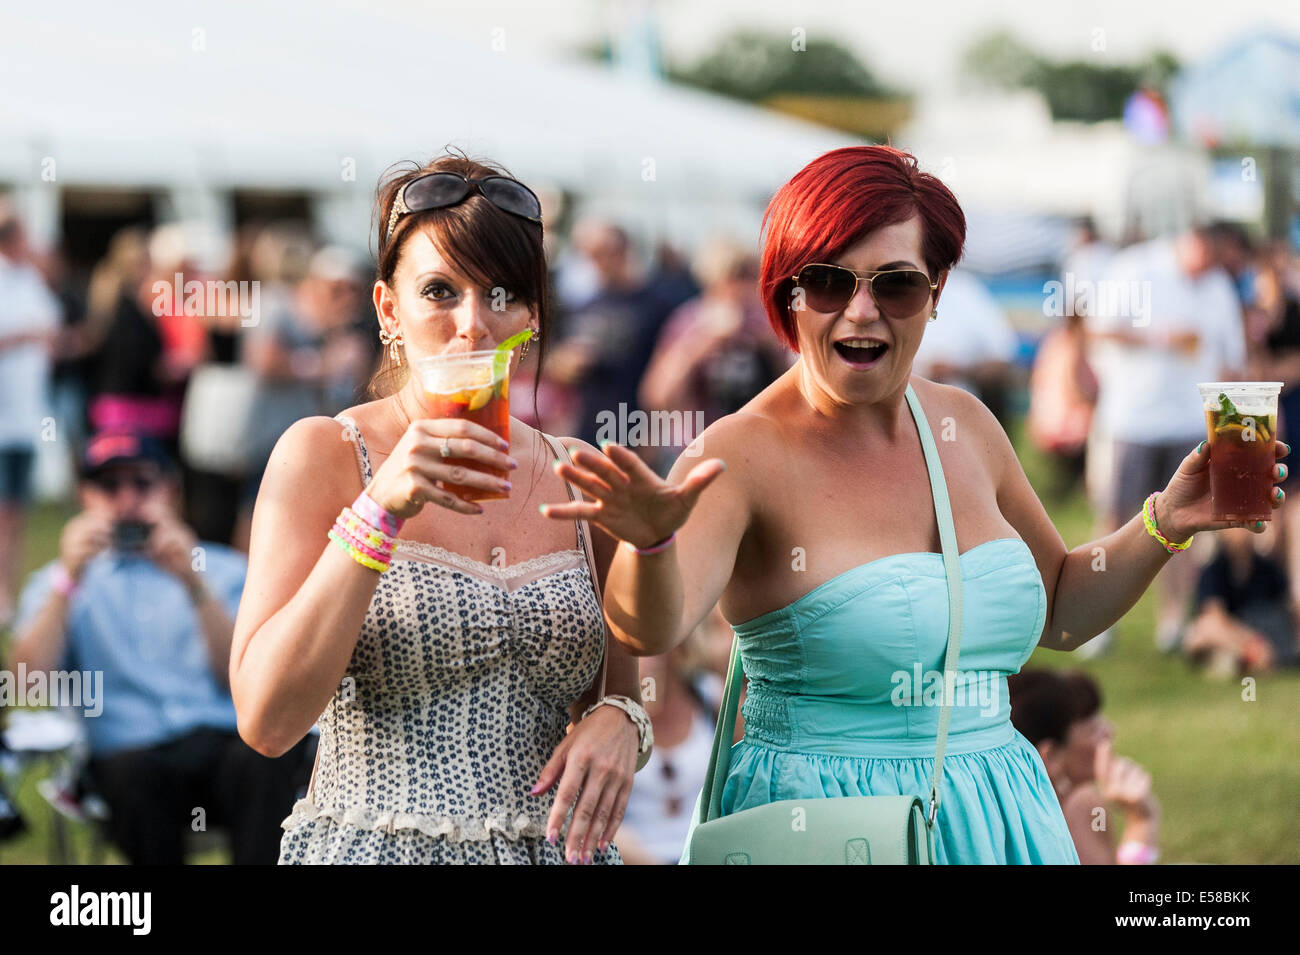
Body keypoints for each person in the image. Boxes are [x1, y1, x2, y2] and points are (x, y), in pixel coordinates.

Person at [542, 145, 1288, 864]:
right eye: (830, 282)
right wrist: (647, 545)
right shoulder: (738, 453)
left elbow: (1061, 608)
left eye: (894, 285)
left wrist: (1166, 521)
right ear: (787, 295)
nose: (862, 312)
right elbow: (655, 625)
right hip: (829, 827)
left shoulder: (966, 425)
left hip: (999, 813)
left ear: (934, 294)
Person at [230, 153, 648, 866]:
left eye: (501, 293)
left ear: (533, 315)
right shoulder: (325, 454)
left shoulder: (579, 474)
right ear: (389, 309)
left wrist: (622, 719)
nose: (472, 324)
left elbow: (625, 689)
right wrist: (380, 508)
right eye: (439, 290)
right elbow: (268, 720)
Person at [7, 431, 309, 863]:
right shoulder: (60, 581)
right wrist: (67, 582)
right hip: (130, 756)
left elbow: (249, 679)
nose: (126, 500)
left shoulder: (220, 569)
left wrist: (193, 585)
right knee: (132, 773)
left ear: (170, 490)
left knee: (269, 755)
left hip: (224, 746)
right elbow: (26, 684)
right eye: (109, 486)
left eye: (142, 484)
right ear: (84, 496)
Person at [1086, 223, 1247, 653]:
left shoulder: (1217, 287)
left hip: (1190, 424)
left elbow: (1232, 362)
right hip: (1130, 420)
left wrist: (1236, 426)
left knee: (1183, 527)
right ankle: (1098, 621)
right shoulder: (1135, 267)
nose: (1208, 268)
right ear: (1191, 239)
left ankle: (1173, 621)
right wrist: (1159, 337)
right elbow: (1097, 329)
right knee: (1117, 519)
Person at [638, 238, 791, 475]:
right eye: (735, 276)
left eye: (751, 276)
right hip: (694, 452)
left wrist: (770, 346)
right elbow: (656, 396)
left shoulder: (769, 321)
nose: (743, 287)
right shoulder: (689, 321)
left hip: (755, 453)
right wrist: (702, 345)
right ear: (714, 280)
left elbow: (796, 390)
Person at [1008, 669, 1161, 865]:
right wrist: (1141, 822)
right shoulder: (1072, 811)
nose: (1110, 731)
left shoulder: (1085, 805)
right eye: (1093, 728)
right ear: (1051, 755)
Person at [0, 202, 61, 626]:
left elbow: (51, 331)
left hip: (24, 418)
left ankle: (9, 594)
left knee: (16, 514)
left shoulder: (28, 281)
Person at [1184, 527, 1299, 676]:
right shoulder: (1214, 570)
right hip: (1235, 635)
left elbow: (1286, 606)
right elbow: (1215, 616)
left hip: (1265, 633)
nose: (1240, 533)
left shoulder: (1268, 567)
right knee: (1202, 632)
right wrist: (1250, 642)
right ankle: (1248, 657)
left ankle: (1239, 661)